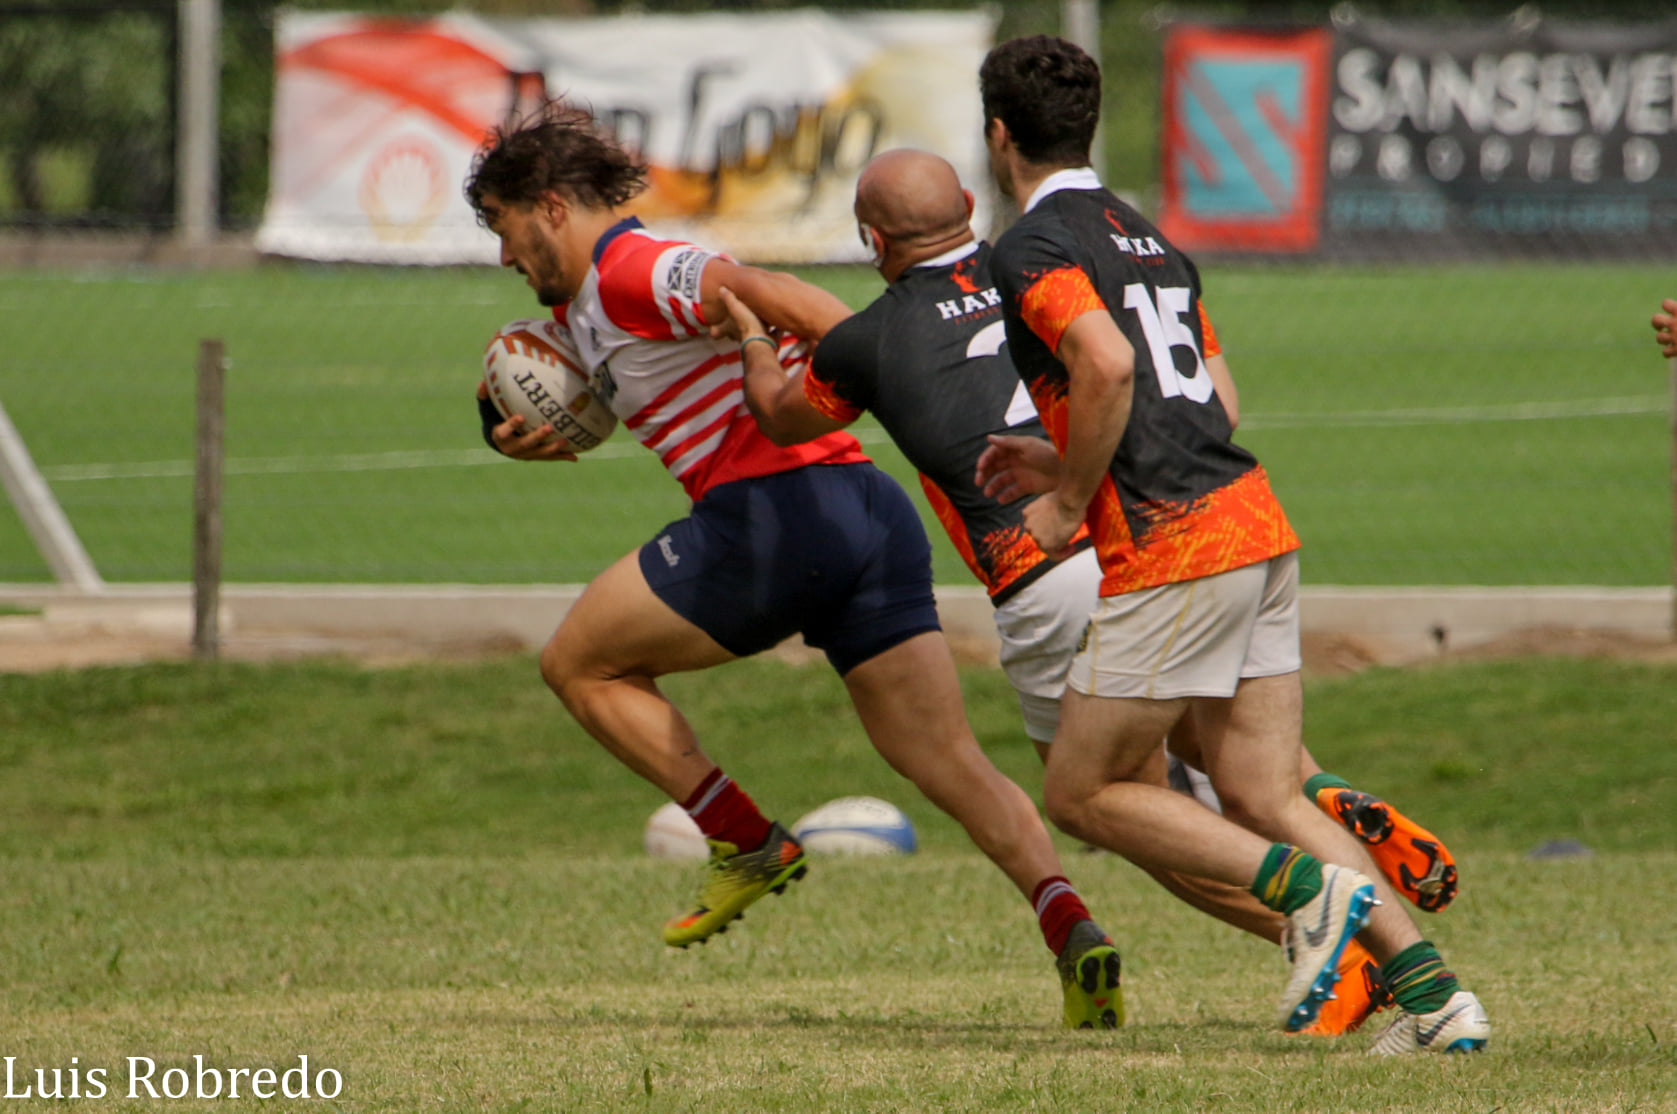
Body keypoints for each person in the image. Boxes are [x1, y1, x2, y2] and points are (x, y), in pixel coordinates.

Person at [713, 146, 1457, 1036]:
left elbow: (780, 412)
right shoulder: (1035, 267)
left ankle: (1313, 923)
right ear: (966, 206)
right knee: (1236, 763)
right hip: (1149, 532)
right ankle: (1337, 819)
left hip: (1041, 567)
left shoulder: (866, 340)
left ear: (872, 239)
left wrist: (754, 334)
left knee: (1118, 808)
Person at [463, 100, 1124, 1030]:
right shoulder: (586, 308)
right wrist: (510, 438)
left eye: (501, 225)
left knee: (577, 663)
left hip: (775, 516)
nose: (502, 254)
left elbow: (776, 294)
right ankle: (1071, 926)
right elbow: (541, 390)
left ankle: (745, 841)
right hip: (865, 515)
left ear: (550, 204)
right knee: (942, 757)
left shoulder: (635, 266)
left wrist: (892, 375)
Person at [970, 35, 1489, 1053]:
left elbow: (1109, 365)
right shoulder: (1148, 234)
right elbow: (1215, 398)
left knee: (1082, 791)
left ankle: (1312, 897)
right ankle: (1437, 1001)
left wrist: (1071, 497)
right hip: (1254, 519)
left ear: (998, 135)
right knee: (1262, 787)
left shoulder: (1030, 246)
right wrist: (1068, 461)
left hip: (1177, 544)